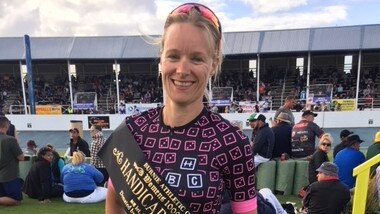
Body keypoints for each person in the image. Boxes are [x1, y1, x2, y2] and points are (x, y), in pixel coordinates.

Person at [105, 3, 257, 213]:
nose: (182, 70)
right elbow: (113, 201)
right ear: (161, 57)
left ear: (213, 63)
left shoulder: (232, 142)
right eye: (173, 56)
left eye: (196, 58)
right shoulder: (130, 130)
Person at [0, 116, 24, 206]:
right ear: (7, 126)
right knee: (16, 201)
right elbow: (21, 157)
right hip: (9, 176)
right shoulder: (10, 140)